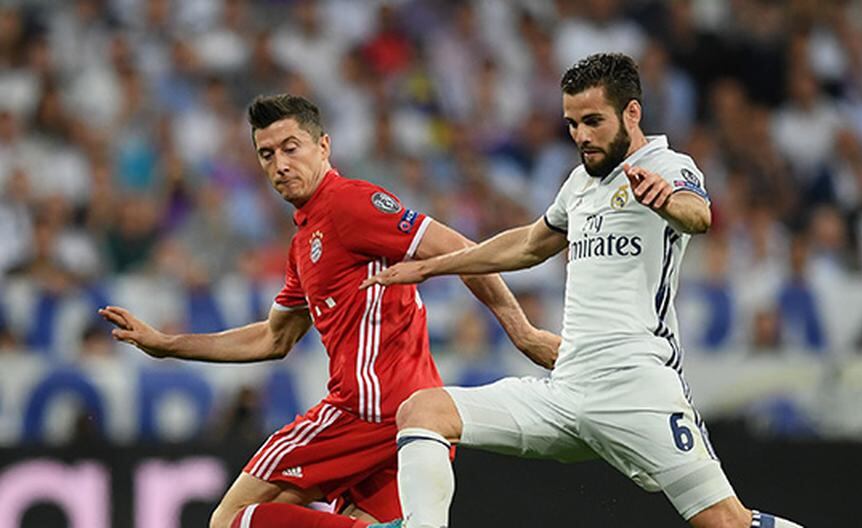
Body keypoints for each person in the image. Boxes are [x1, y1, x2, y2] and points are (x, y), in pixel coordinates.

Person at [362, 54, 803, 528]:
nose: (581, 137)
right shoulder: (579, 184)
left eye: (593, 121)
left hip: (638, 387)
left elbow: (699, 215)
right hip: (567, 389)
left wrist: (667, 199)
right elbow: (530, 245)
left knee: (727, 524)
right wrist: (431, 267)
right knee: (423, 410)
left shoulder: (667, 165)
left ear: (631, 113)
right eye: (572, 124)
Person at [99, 94, 559, 528]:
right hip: (406, 421)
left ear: (323, 146)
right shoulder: (305, 243)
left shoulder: (349, 204)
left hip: (368, 410)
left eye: (290, 147)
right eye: (266, 155)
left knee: (232, 520)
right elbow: (273, 338)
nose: (279, 165)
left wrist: (522, 333)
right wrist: (167, 344)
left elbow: (459, 249)